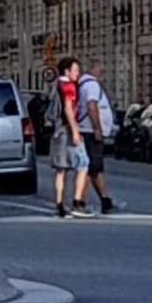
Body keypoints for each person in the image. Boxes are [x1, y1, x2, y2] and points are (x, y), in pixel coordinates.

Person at [49, 56, 93, 218]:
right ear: (67, 71)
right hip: (68, 129)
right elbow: (68, 109)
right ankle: (77, 203)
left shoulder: (57, 85)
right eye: (75, 70)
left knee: (61, 169)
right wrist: (75, 131)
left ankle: (59, 205)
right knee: (83, 164)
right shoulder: (68, 86)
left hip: (58, 130)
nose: (78, 73)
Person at [77, 59, 116, 214]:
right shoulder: (92, 85)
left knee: (94, 168)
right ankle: (80, 201)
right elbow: (92, 107)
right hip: (90, 132)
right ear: (94, 69)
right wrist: (97, 129)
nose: (103, 75)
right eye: (101, 71)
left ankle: (105, 201)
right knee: (90, 168)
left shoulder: (83, 84)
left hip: (85, 131)